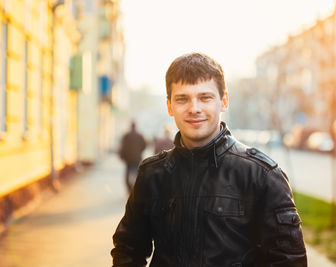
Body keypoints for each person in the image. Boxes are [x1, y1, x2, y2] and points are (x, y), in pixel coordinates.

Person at [111, 52, 307, 266]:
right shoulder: (152, 174)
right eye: (182, 99)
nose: (194, 108)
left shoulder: (262, 175)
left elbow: (288, 261)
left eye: (205, 97)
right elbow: (127, 249)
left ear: (223, 102)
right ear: (169, 106)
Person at [118, 121, 146, 192]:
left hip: (128, 158)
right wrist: (139, 151)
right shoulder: (140, 135)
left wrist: (122, 155)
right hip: (137, 158)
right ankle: (135, 188)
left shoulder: (126, 135)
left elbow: (122, 146)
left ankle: (129, 188)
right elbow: (144, 145)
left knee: (128, 172)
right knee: (136, 172)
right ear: (135, 126)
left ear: (130, 126)